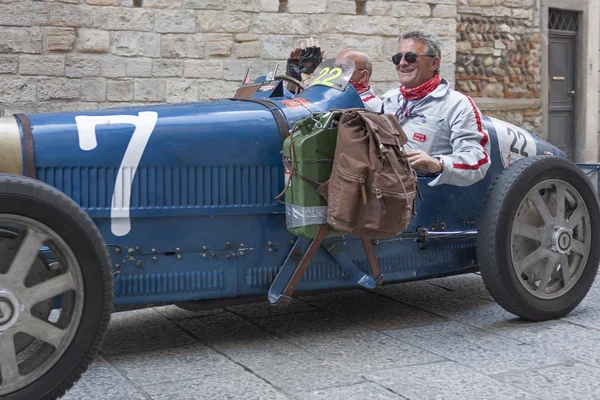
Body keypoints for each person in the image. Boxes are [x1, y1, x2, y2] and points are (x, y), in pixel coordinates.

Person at [380, 30, 491, 187]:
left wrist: (438, 164)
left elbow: (478, 160)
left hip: (426, 199)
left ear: (434, 63)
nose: (402, 63)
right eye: (397, 58)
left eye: (411, 57)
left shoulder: (457, 104)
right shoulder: (388, 100)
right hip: (383, 193)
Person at [286, 39, 382, 112]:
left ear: (363, 76)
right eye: (334, 69)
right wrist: (292, 81)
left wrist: (306, 75)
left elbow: (317, 110)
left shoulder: (371, 103)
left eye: (342, 69)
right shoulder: (331, 93)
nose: (335, 74)